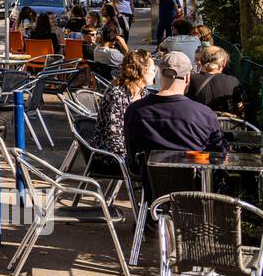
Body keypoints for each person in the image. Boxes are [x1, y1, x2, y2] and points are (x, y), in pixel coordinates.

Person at [123, 52, 225, 192]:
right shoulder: (205, 114)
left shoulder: (135, 110)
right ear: (188, 77)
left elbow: (132, 156)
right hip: (196, 193)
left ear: (159, 75)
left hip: (153, 191)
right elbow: (219, 156)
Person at [92, 49, 154, 173]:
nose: (154, 73)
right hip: (110, 156)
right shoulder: (117, 94)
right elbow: (113, 137)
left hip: (131, 152)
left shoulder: (144, 93)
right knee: (154, 170)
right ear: (142, 71)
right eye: (153, 69)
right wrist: (135, 155)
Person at [188, 45, 244, 114]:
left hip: (199, 122)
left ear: (201, 61)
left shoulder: (191, 80)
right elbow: (240, 105)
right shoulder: (233, 81)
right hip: (225, 123)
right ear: (223, 62)